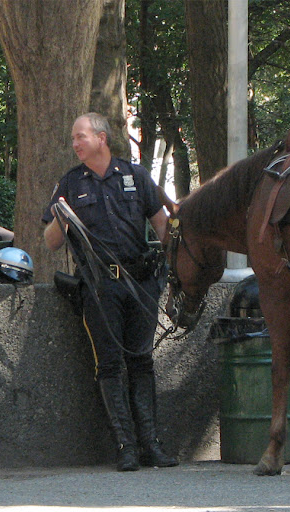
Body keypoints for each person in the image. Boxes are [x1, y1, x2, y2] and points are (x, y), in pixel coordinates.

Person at [42, 112, 177, 472]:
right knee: (110, 365)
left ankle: (152, 444)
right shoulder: (70, 183)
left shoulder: (134, 176)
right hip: (100, 288)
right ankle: (125, 446)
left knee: (142, 361)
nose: (75, 143)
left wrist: (174, 267)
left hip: (140, 284)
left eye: (80, 136)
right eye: (73, 138)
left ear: (102, 138)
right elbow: (50, 242)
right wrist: (62, 217)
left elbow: (162, 226)